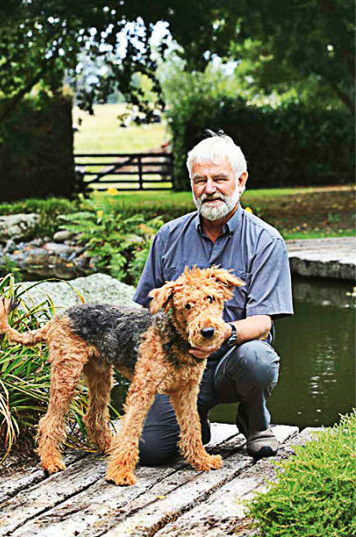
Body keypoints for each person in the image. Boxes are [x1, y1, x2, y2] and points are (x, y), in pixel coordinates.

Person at [132, 132, 293, 462]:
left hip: (232, 360)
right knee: (151, 450)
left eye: (219, 179)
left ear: (240, 181)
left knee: (258, 359)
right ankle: (196, 420)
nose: (209, 189)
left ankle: (255, 421)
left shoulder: (266, 241)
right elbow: (144, 311)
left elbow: (263, 321)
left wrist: (222, 335)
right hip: (178, 364)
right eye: (199, 180)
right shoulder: (167, 236)